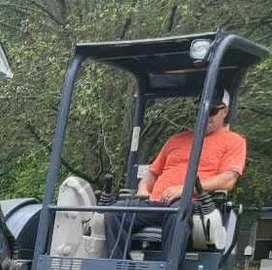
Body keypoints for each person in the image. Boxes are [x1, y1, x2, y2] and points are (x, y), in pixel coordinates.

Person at [106, 90, 247, 258]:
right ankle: (120, 269)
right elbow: (151, 174)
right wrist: (143, 190)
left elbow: (227, 180)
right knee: (115, 212)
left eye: (212, 111)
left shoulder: (234, 141)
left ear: (225, 111)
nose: (205, 115)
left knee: (178, 212)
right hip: (155, 204)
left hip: (192, 205)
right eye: (201, 110)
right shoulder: (176, 139)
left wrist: (184, 190)